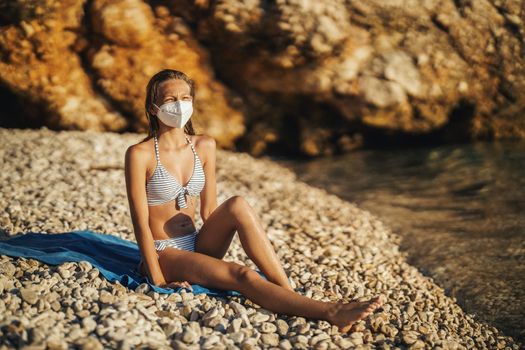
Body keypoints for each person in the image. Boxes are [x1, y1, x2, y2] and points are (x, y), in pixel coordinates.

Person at [124, 69, 383, 333]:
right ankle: (331, 312)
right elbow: (140, 222)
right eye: (170, 100)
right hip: (165, 252)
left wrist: (216, 239)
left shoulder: (204, 145)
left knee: (237, 203)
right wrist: (157, 280)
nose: (179, 105)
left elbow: (210, 210)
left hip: (196, 244)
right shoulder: (139, 154)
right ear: (153, 107)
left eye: (185, 97)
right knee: (241, 275)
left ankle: (287, 292)